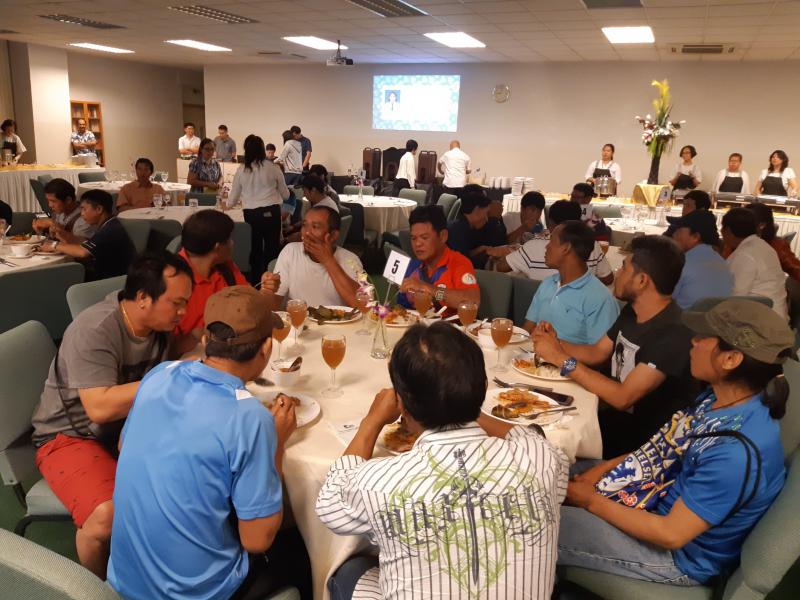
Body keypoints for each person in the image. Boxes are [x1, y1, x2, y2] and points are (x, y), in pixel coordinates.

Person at [316, 322, 569, 600]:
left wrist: (372, 421)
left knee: (349, 569)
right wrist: (462, 403)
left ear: (401, 405)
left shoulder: (379, 483)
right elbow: (528, 436)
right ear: (483, 388)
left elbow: (330, 504)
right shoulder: (541, 459)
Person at [558, 298, 792, 588]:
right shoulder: (719, 398)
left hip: (674, 555)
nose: (693, 341)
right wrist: (601, 470)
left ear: (730, 359)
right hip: (651, 491)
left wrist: (590, 500)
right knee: (547, 469)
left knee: (532, 522)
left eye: (704, 337)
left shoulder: (736, 452)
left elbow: (671, 534)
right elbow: (661, 450)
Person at [107, 286, 298, 600]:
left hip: (125, 581)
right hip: (197, 593)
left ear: (206, 341)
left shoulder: (160, 374)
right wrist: (275, 443)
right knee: (297, 549)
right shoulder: (251, 419)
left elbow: (123, 447)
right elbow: (257, 540)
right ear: (266, 348)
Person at [30, 252, 193, 578]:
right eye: (176, 303)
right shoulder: (96, 329)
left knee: (198, 473)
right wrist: (170, 375)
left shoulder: (156, 325)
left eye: (185, 303)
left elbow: (174, 353)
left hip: (123, 427)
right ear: (143, 298)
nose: (183, 312)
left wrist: (201, 342)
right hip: (68, 436)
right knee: (107, 516)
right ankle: (101, 588)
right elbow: (100, 407)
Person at [533, 235, 695, 458]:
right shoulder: (633, 311)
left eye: (623, 268)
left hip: (640, 448)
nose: (616, 273)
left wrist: (560, 359)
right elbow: (597, 352)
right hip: (608, 422)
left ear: (642, 280)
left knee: (541, 449)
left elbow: (623, 397)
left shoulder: (673, 335)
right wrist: (555, 343)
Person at [522, 220, 619, 344]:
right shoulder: (548, 283)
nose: (546, 247)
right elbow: (527, 330)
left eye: (551, 241)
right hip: (531, 354)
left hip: (564, 357)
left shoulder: (600, 299)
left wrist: (555, 349)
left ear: (566, 248)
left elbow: (601, 353)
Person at [172, 209, 248, 355]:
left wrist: (267, 291)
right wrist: (196, 336)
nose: (232, 243)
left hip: (228, 351)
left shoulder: (226, 269)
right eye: (229, 239)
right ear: (217, 247)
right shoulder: (171, 278)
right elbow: (162, 348)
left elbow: (248, 303)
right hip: (185, 362)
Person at [260, 205, 362, 309]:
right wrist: (268, 291)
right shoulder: (290, 252)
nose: (306, 233)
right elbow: (273, 306)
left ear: (333, 235)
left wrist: (328, 260)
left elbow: (363, 307)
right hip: (299, 318)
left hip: (337, 319)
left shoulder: (351, 260)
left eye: (315, 226)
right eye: (304, 225)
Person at [497, 200, 614, 285]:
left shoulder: (533, 246)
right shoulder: (592, 244)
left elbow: (501, 267)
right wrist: (584, 284)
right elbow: (608, 278)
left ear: (551, 223)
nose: (547, 247)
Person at [228, 134, 290, 284]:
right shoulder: (273, 168)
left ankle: (256, 283)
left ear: (246, 150)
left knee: (255, 250)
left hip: (251, 215)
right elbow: (286, 195)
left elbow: (232, 200)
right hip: (272, 213)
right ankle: (274, 283)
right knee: (272, 250)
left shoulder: (242, 170)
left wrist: (227, 204)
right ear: (262, 149)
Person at [396, 205, 480, 313]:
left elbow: (473, 301)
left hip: (449, 323)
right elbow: (401, 307)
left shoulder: (458, 263)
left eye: (424, 238)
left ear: (443, 236)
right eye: (413, 238)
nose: (417, 244)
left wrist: (430, 289)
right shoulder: (413, 266)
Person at [41, 190, 136, 281]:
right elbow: (86, 243)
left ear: (99, 209)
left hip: (112, 281)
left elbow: (82, 252)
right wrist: (63, 236)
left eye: (84, 209)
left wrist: (54, 245)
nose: (81, 214)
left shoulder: (109, 230)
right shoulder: (111, 223)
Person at [721, 208, 788, 319]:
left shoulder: (744, 255)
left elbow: (734, 299)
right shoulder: (763, 246)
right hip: (775, 318)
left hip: (761, 323)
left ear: (727, 230)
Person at [670, 210, 733, 309]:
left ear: (696, 236)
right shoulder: (722, 263)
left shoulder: (682, 263)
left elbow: (663, 299)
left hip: (685, 317)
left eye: (678, 231)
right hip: (715, 317)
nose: (674, 235)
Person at [745, 202, 800, 282]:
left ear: (761, 225)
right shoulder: (735, 241)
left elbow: (795, 269)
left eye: (746, 223)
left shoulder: (776, 245)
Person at [445, 187, 496, 269]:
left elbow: (462, 253)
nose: (487, 219)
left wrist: (480, 250)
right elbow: (461, 265)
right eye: (487, 213)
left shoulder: (462, 226)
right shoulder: (458, 230)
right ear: (477, 210)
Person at [32, 178, 96, 241]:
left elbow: (81, 245)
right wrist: (42, 231)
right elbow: (53, 237)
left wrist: (53, 224)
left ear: (68, 200)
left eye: (53, 201)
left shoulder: (84, 219)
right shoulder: (60, 212)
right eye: (48, 201)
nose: (50, 205)